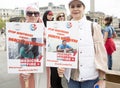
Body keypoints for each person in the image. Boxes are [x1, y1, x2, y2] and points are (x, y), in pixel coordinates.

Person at [58, 0, 107, 88]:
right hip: (71, 77)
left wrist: (102, 79)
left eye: (78, 6)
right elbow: (62, 51)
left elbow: (100, 54)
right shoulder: (64, 27)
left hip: (90, 78)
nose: (75, 9)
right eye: (72, 6)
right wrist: (60, 66)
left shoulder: (93, 26)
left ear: (83, 8)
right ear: (69, 9)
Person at [19, 5, 51, 88]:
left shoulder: (46, 31)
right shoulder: (19, 31)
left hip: (43, 64)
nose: (33, 15)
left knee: (42, 84)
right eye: (30, 13)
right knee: (30, 84)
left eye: (36, 13)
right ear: (26, 15)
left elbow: (53, 47)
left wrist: (46, 40)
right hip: (27, 63)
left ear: (39, 15)